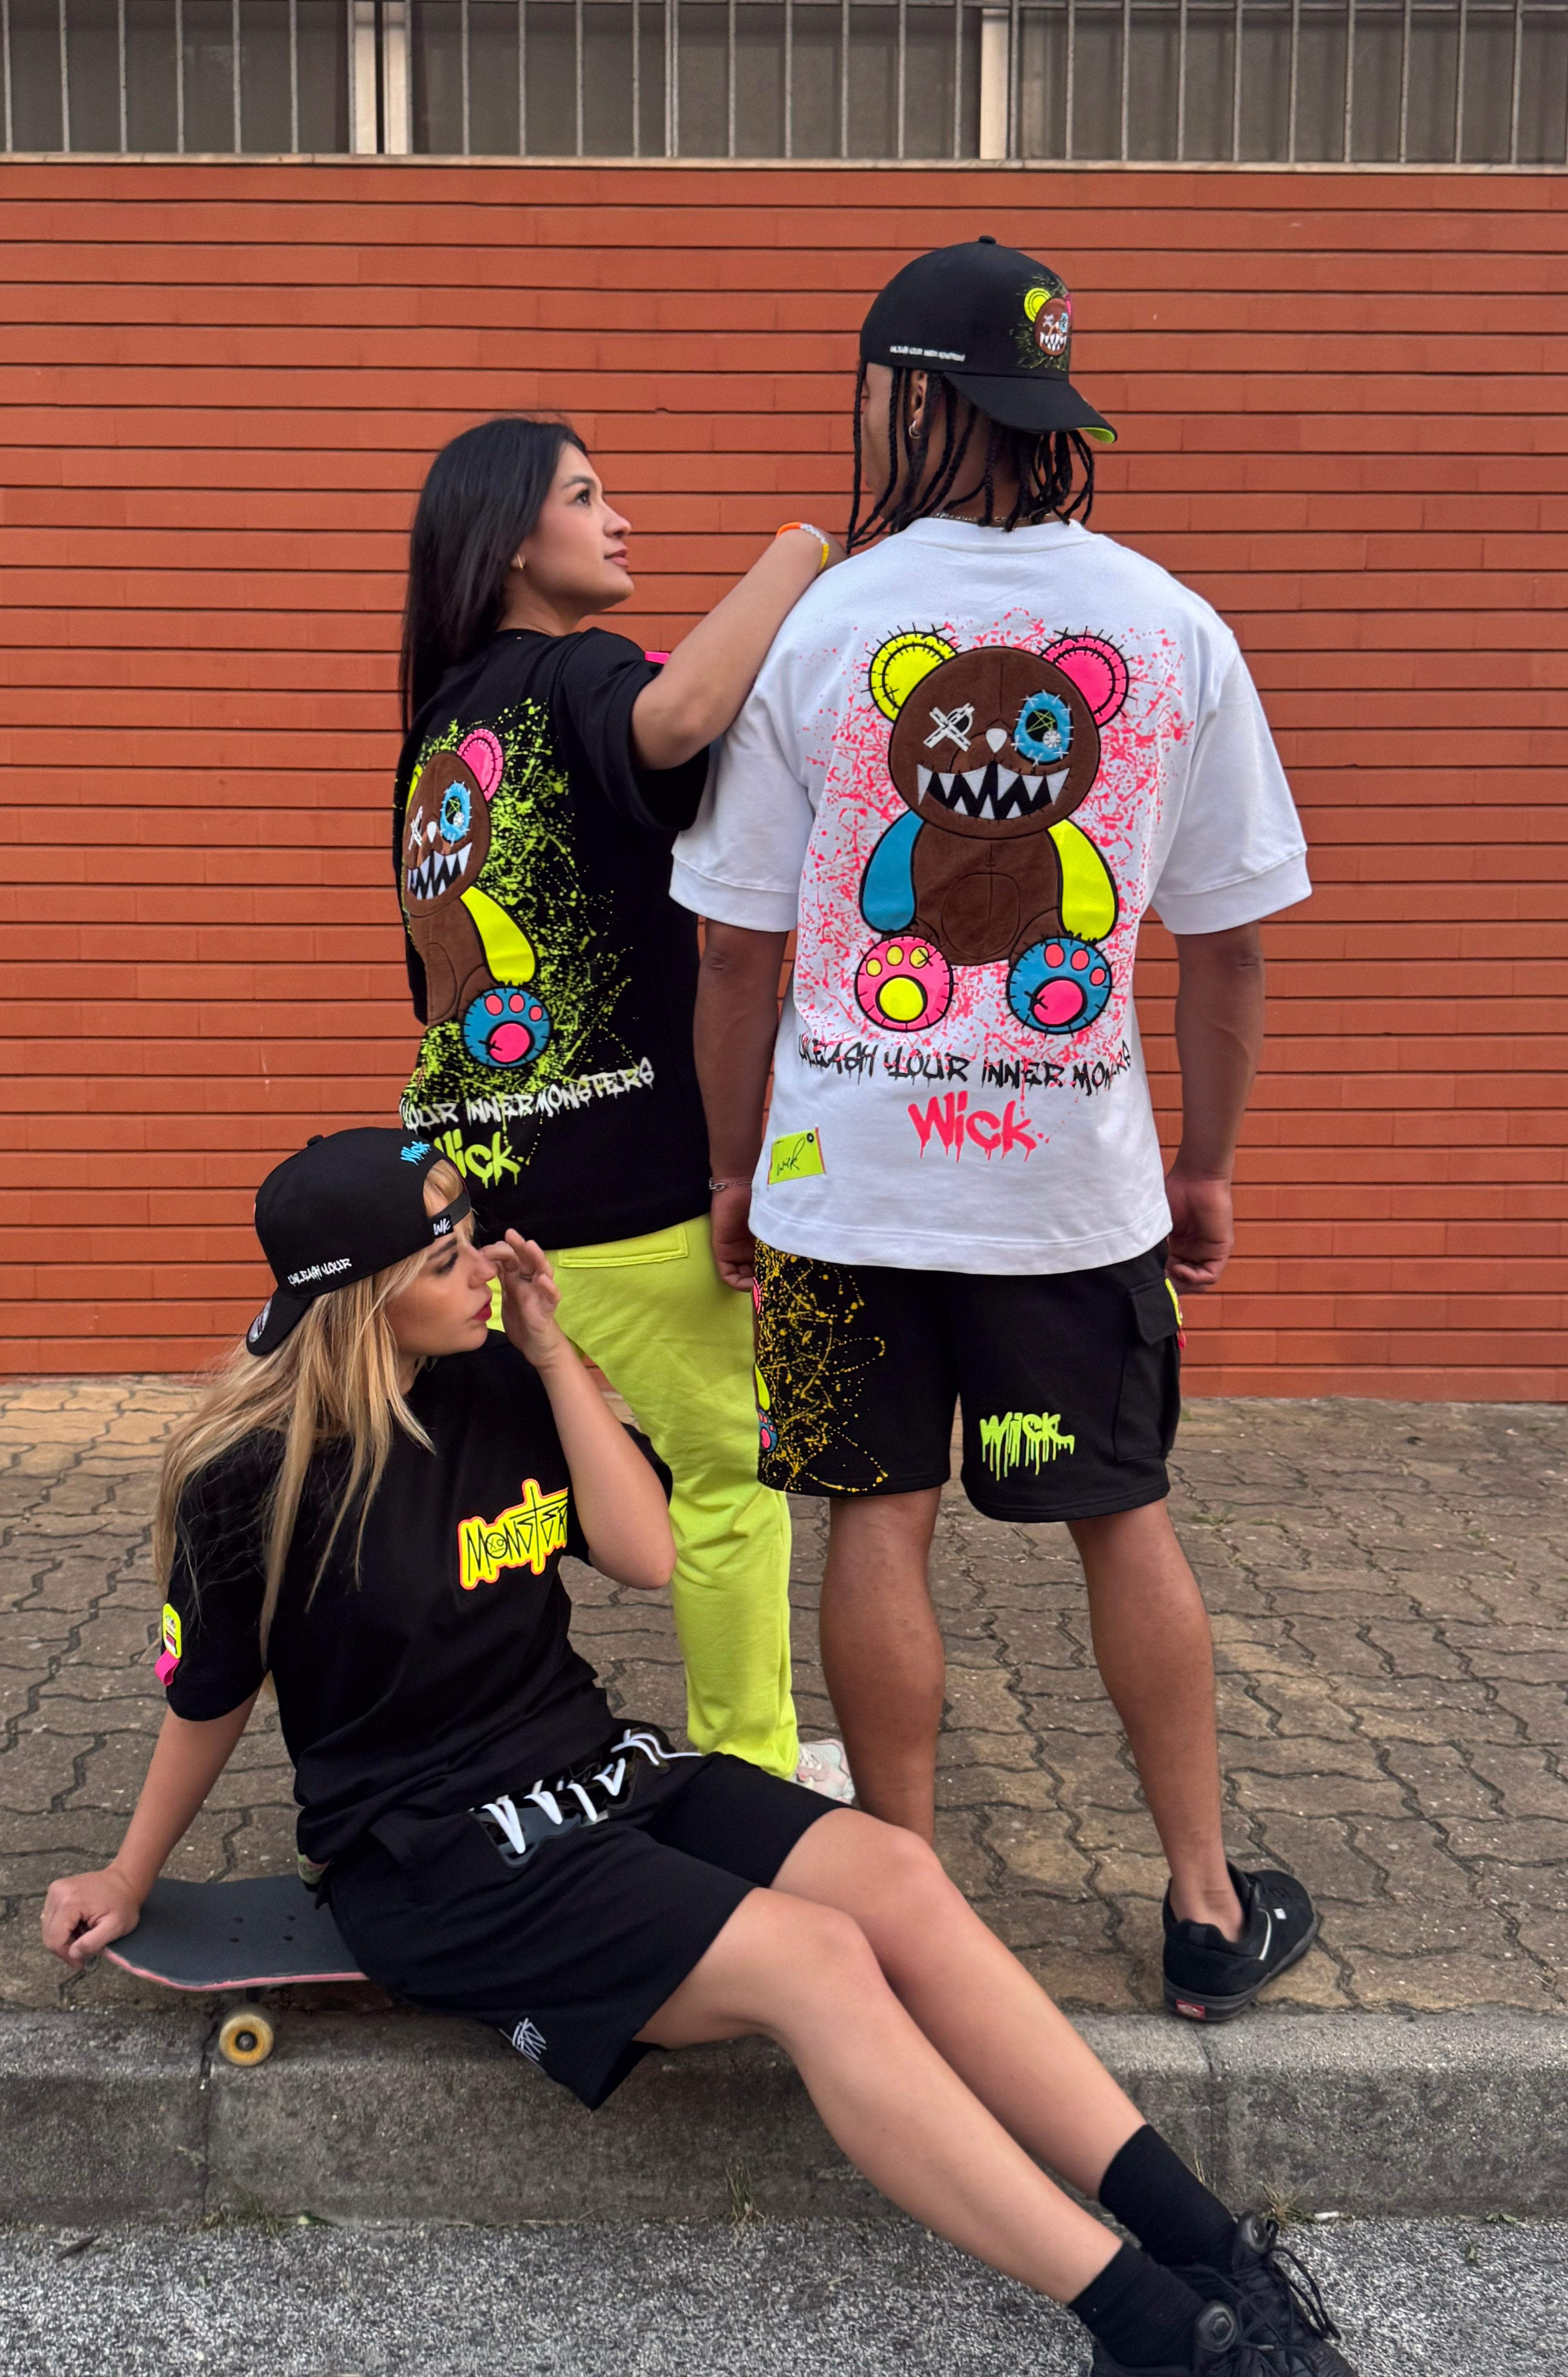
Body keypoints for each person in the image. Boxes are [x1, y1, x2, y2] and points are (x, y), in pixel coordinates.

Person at [41, 1129, 1358, 2377]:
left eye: (473, 1235)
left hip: (598, 1770)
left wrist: (555, 1357)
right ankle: (1152, 2328)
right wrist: (128, 1871)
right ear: (361, 1300)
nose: (485, 1265)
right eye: (445, 1259)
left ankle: (1206, 2244)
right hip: (440, 1856)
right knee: (820, 1963)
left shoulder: (497, 1378)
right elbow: (208, 1700)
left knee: (896, 1876)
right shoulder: (250, 1478)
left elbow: (644, 1554)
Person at [671, 238, 1318, 2023]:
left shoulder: (821, 625)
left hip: (841, 1190)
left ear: (906, 398)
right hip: (1071, 1202)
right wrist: (1205, 1165)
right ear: (1048, 411)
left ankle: (907, 1917)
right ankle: (1204, 1908)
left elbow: (733, 952)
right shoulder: (1172, 626)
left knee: (874, 1526)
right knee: (1124, 1517)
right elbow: (1227, 945)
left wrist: (732, 1165)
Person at [391, 417, 848, 1802]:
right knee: (725, 1491)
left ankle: (467, 1767)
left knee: (485, 1506)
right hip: (632, 1189)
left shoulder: (445, 727)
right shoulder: (576, 670)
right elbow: (680, 718)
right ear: (509, 543)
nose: (619, 521)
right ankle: (751, 1780)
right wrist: (801, 551)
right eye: (586, 498)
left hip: (477, 1198)